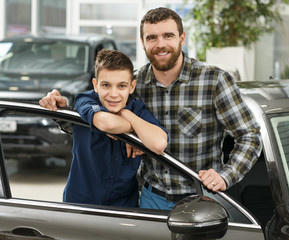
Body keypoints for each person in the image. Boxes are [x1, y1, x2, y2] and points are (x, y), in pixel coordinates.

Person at [39, 7, 262, 210]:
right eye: (151, 37)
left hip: (202, 199)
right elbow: (96, 128)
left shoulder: (214, 80)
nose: (160, 44)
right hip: (149, 199)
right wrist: (62, 111)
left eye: (168, 36)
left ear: (181, 38)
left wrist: (225, 176)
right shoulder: (132, 83)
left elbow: (250, 136)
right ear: (143, 42)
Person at [40, 49, 168, 207]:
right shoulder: (85, 100)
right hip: (81, 203)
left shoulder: (137, 109)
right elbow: (107, 124)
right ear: (95, 85)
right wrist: (135, 129)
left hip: (124, 205)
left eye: (121, 86)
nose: (113, 94)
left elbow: (158, 143)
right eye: (106, 85)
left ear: (132, 86)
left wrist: (126, 114)